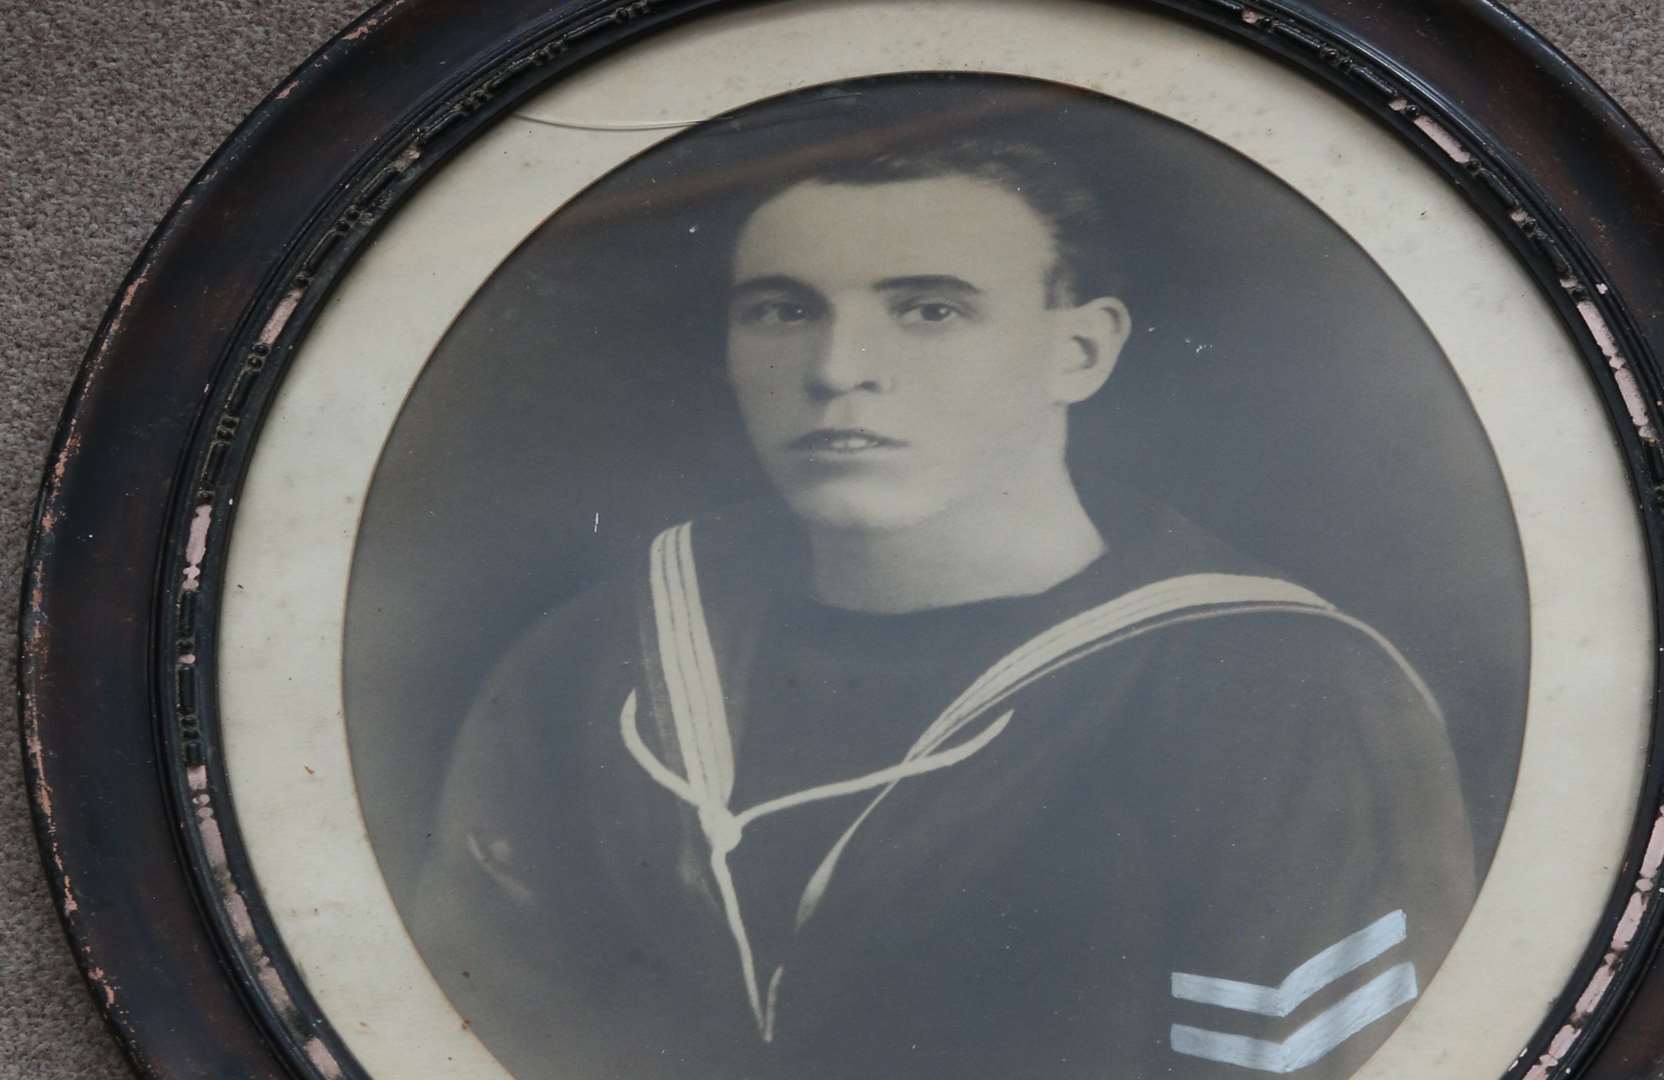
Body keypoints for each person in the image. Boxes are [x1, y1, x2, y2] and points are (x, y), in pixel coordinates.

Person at [406, 135, 1476, 1080]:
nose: (838, 371)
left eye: (929, 309)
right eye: (783, 311)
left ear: (1082, 350)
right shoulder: (598, 661)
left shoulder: (1284, 691)